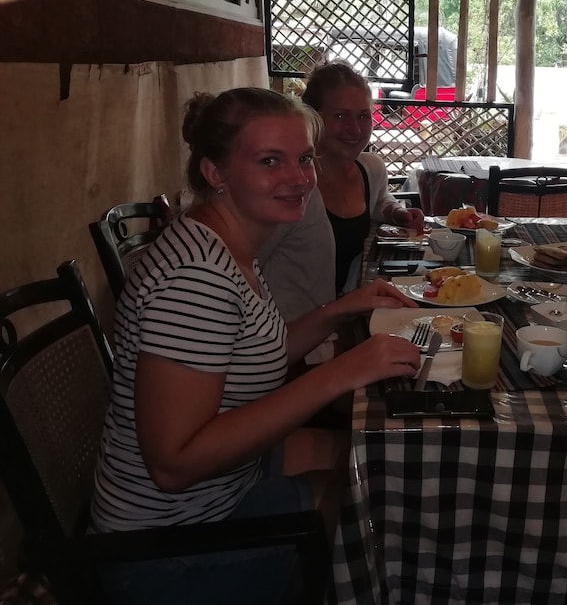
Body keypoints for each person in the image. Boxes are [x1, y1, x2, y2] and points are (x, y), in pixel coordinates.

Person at [90, 87, 421, 605]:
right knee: (380, 496)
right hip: (170, 551)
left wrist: (341, 308)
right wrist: (337, 373)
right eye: (270, 161)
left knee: (379, 460)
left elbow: (254, 352)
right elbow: (174, 463)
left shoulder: (225, 243)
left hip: (224, 487)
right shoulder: (194, 277)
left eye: (304, 158)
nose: (299, 178)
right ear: (215, 172)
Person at [260, 62, 424, 314]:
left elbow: (380, 199)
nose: (355, 128)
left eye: (362, 115)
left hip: (346, 314)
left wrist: (395, 212)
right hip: (294, 336)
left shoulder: (370, 169)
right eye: (340, 115)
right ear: (312, 116)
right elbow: (248, 265)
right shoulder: (292, 189)